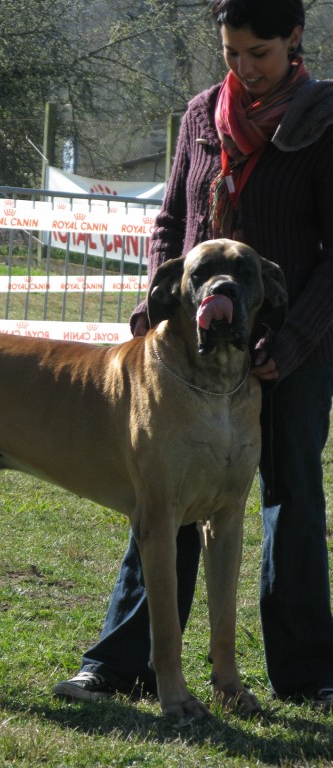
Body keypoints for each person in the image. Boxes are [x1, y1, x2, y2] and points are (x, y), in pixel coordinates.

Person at [53, 0, 333, 707]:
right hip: (186, 349)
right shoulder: (202, 114)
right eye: (232, 53)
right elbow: (172, 218)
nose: (244, 69)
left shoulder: (324, 121)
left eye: (258, 54)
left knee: (291, 497)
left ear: (295, 39)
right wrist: (159, 298)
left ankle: (308, 675)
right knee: (163, 497)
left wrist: (293, 336)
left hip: (290, 344)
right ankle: (121, 663)